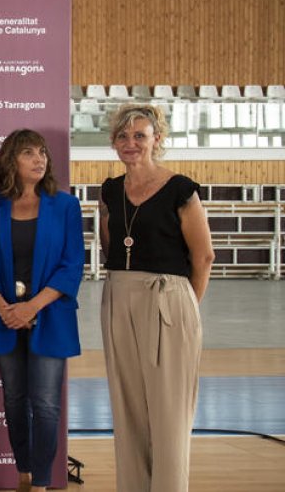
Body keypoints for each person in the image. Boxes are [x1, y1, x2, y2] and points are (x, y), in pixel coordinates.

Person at [99, 104, 213, 492]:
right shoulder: (110, 191)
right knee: (128, 407)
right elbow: (109, 245)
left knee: (168, 412)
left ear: (157, 140)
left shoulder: (181, 188)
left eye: (140, 136)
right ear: (114, 142)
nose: (130, 144)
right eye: (123, 137)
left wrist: (185, 308)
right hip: (118, 296)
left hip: (169, 299)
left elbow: (203, 256)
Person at [0, 129, 84, 492]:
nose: (40, 159)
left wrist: (32, 307)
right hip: (4, 316)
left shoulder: (65, 205)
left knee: (47, 404)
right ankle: (23, 472)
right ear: (11, 160)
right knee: (14, 399)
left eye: (42, 153)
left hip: (50, 318)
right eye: (28, 153)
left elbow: (72, 265)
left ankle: (41, 481)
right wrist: (5, 308)